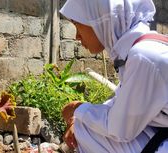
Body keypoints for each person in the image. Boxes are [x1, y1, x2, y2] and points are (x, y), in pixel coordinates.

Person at [60, 0, 168, 152]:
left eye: (77, 25)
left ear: (101, 19)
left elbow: (120, 129)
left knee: (86, 131)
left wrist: (77, 109)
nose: (77, 36)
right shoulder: (141, 48)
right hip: (160, 132)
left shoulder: (143, 56)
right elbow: (121, 104)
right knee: (84, 125)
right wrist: (78, 116)